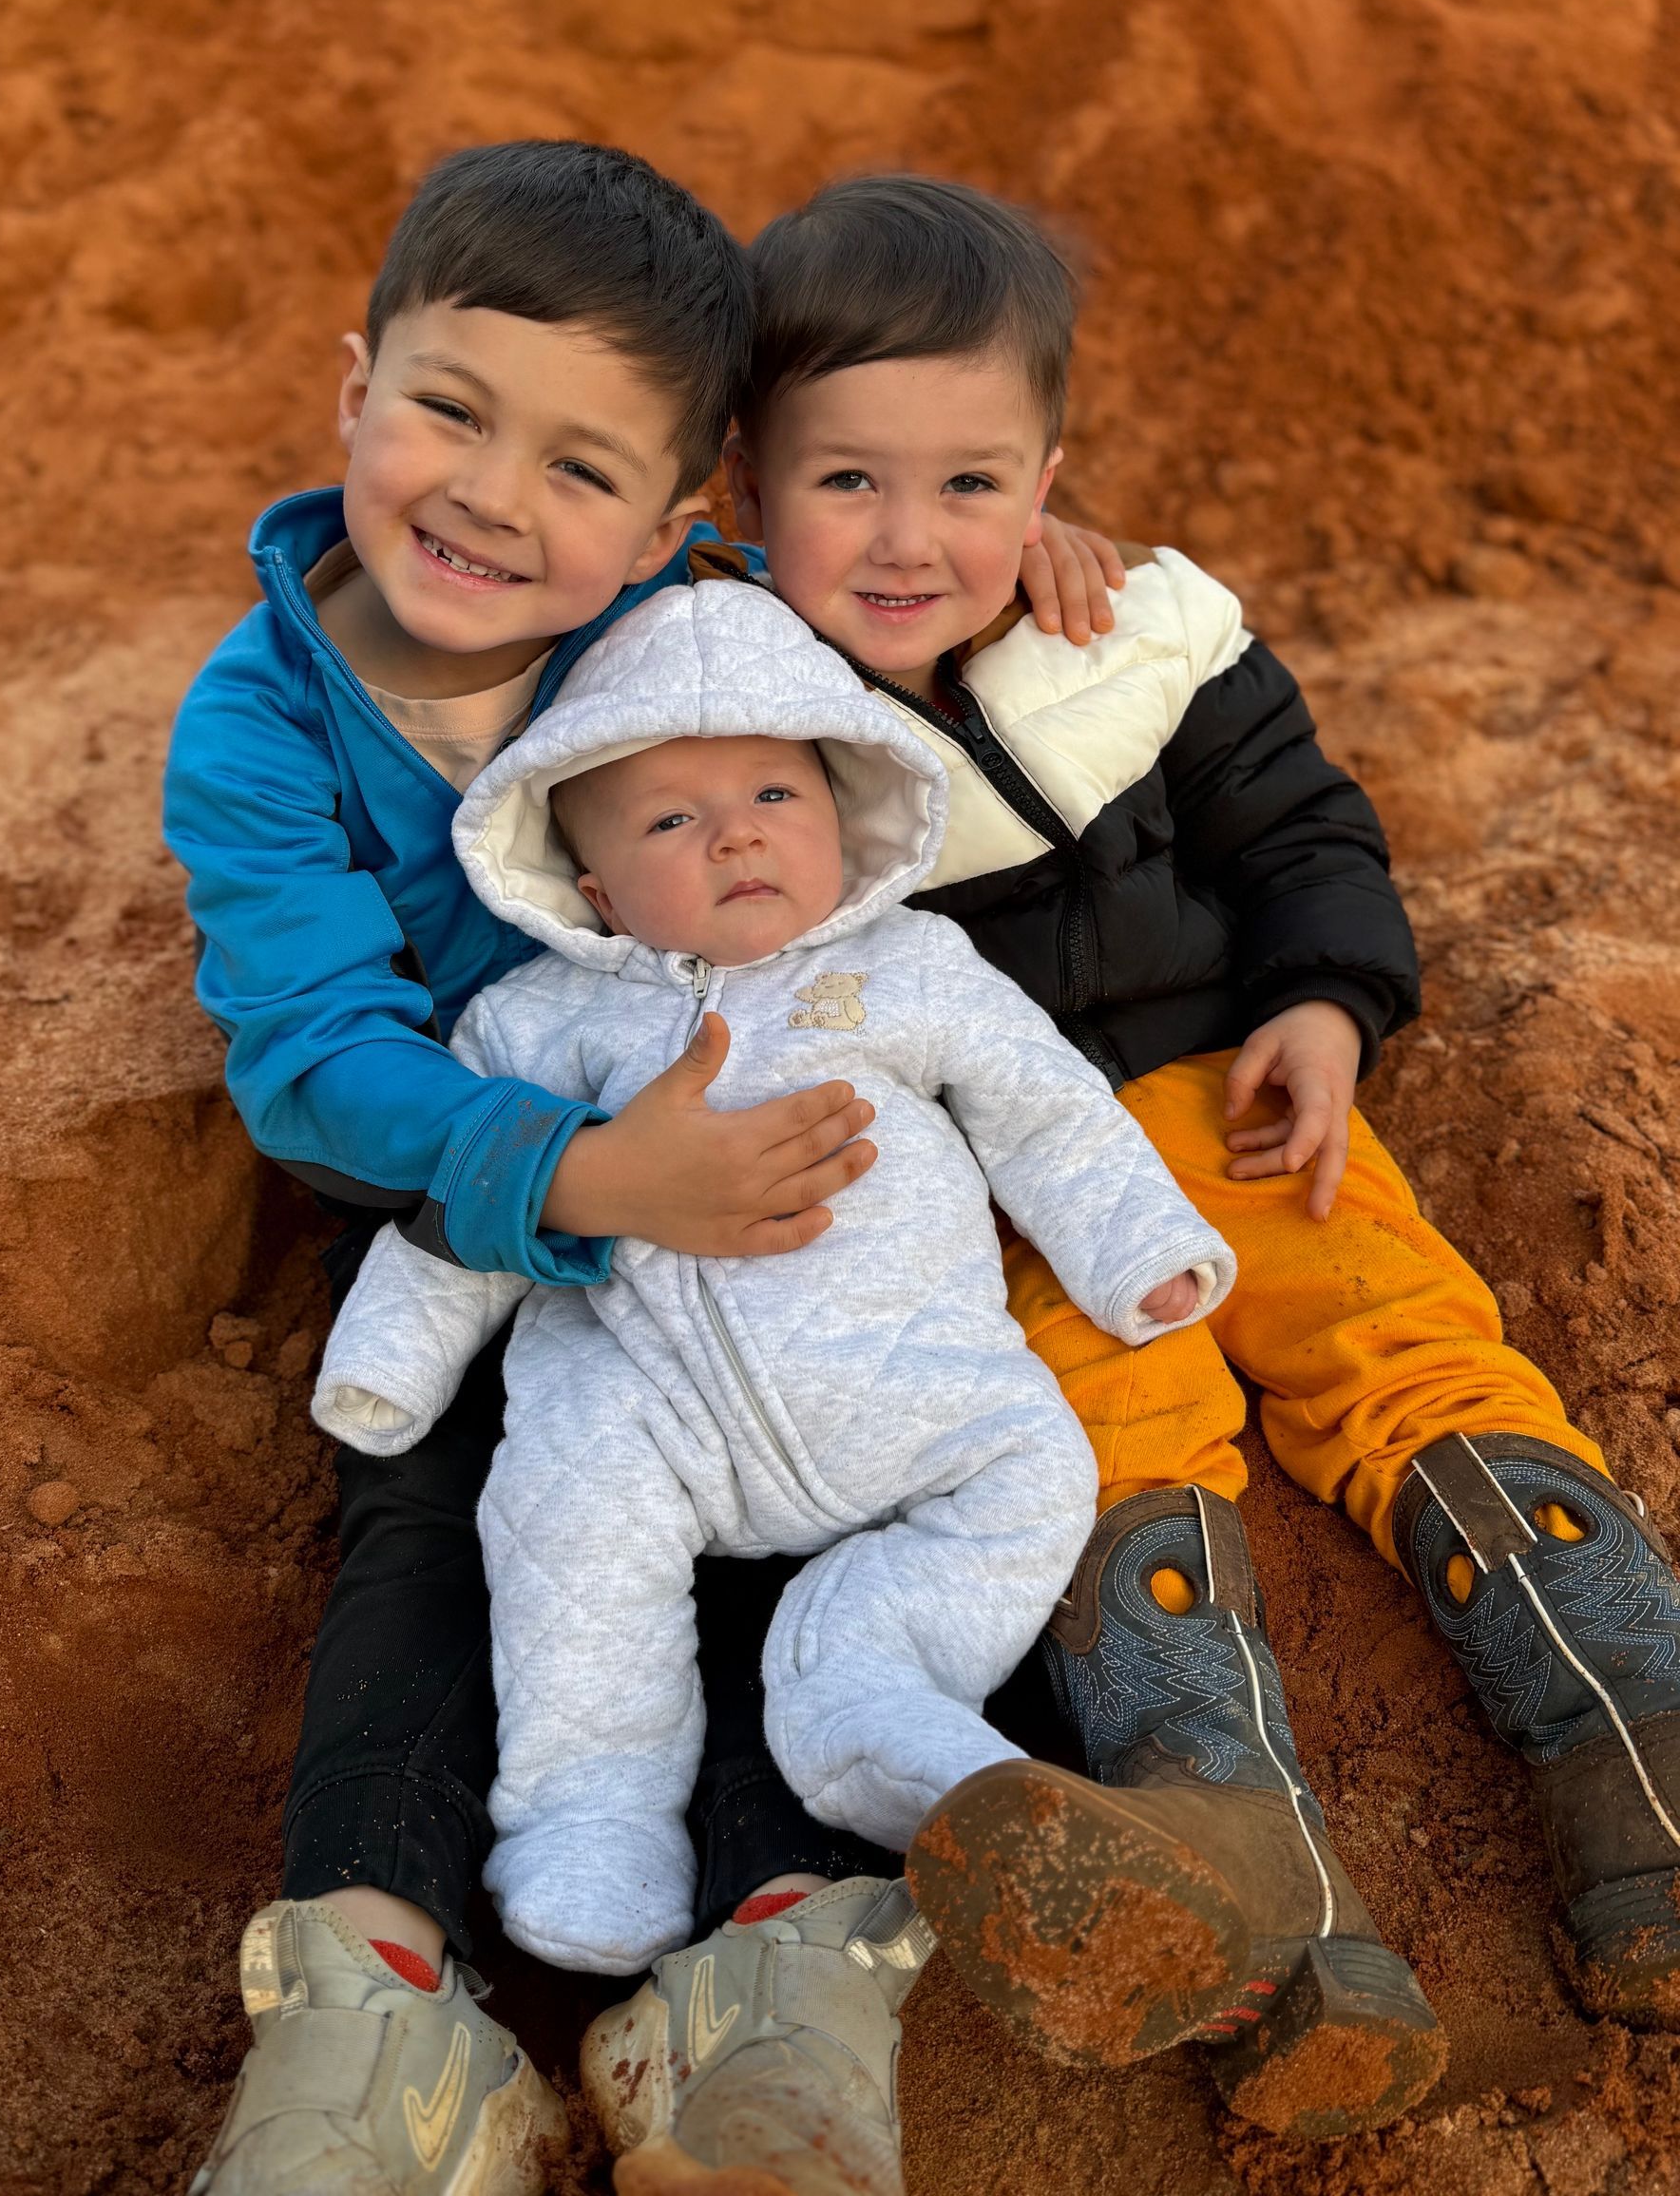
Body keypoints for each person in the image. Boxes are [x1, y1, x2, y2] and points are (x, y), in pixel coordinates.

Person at [163, 137, 1128, 2196]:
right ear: (354, 389)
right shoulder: (258, 724)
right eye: (447, 411)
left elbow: (882, 564)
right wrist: (592, 1177)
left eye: (583, 468)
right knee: (432, 1528)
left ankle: (780, 1973)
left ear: (676, 521)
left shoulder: (696, 624)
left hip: (774, 1238)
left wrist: (1029, 549)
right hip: (485, 1227)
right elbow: (317, 1057)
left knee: (818, 1537)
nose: (497, 498)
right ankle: (377, 1999)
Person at [717, 169, 1680, 2139]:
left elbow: (1305, 828)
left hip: (1238, 1092)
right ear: (743, 482)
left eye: (972, 484)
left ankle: (1647, 1771)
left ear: (1052, 471)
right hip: (1000, 1180)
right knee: (1105, 1442)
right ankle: (1271, 1915)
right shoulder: (738, 705)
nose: (914, 541)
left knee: (1417, 1346)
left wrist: (1327, 1004)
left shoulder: (1141, 634)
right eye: (849, 485)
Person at [315, 573, 1231, 1997]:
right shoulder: (539, 1018)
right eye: (671, 819)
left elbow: (1042, 1107)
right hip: (649, 1409)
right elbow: (472, 1206)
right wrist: (395, 1359)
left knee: (1032, 1467)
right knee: (561, 1526)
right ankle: (594, 1814)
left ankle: (892, 1722)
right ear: (592, 883)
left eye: (774, 794)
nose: (735, 829)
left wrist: (1133, 1244)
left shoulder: (915, 967)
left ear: (848, 810)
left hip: (912, 1389)